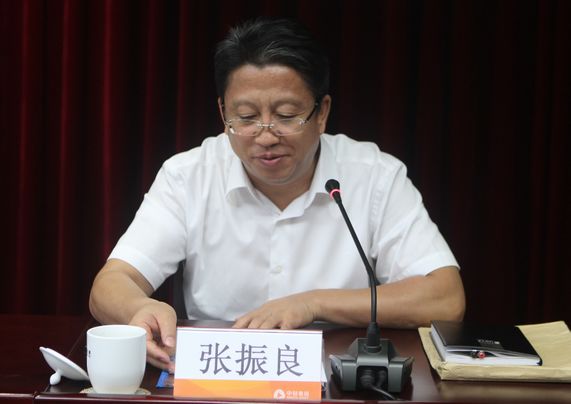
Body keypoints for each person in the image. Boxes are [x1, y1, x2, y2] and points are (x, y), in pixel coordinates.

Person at [89, 17, 465, 373]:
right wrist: (139, 308)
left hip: (337, 382)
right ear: (223, 113)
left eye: (286, 115)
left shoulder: (375, 176)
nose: (266, 135)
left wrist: (313, 303)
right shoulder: (188, 176)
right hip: (219, 378)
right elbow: (110, 285)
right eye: (246, 117)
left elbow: (445, 299)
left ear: (322, 113)